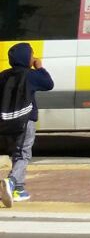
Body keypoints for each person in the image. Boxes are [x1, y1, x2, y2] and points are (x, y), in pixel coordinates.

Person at [0, 43, 53, 206]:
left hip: (6, 121)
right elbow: (48, 84)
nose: (33, 57)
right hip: (25, 120)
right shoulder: (30, 75)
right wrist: (40, 67)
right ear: (26, 58)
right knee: (23, 154)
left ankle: (19, 189)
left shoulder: (3, 75)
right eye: (31, 54)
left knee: (16, 153)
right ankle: (12, 181)